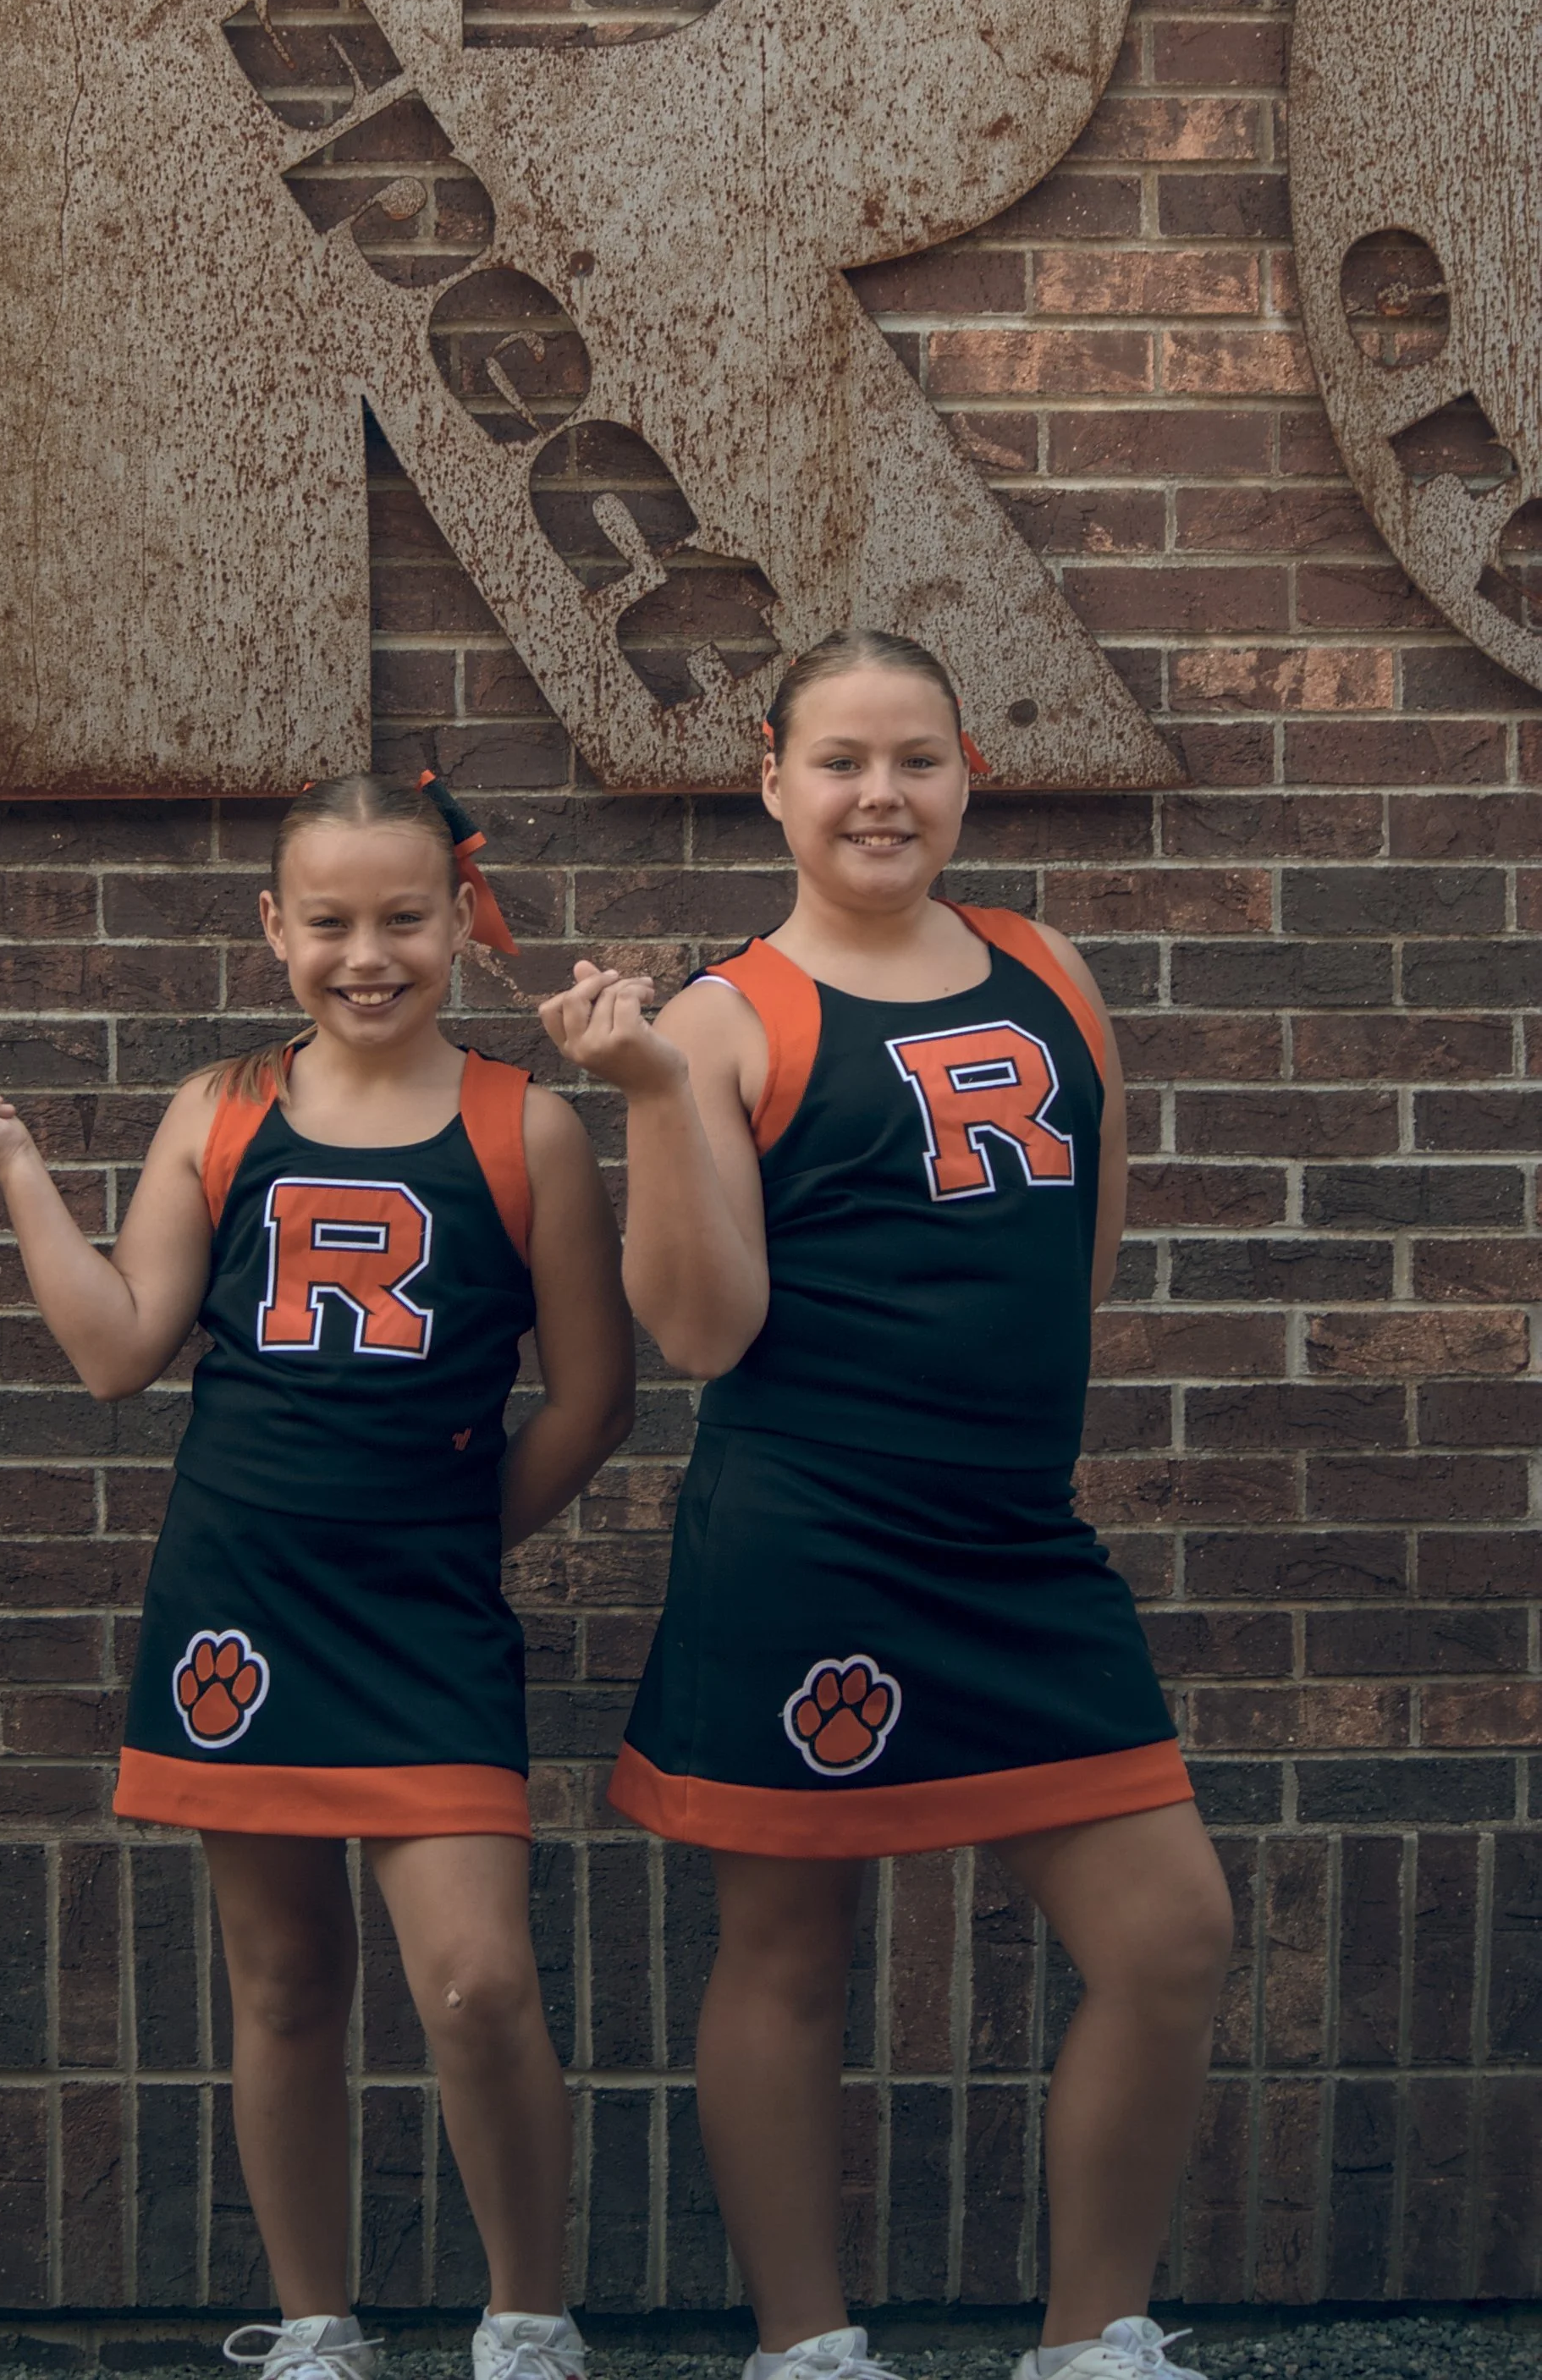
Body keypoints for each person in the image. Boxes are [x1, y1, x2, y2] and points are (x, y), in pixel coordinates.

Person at [541, 631, 1232, 2380]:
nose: (877, 793)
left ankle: (1092, 2340)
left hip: (1010, 1541)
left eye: (913, 758)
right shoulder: (717, 1017)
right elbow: (702, 1333)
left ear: (963, 774)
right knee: (785, 1944)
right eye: (839, 760)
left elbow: (1079, 1264)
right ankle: (806, 2346)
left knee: (1168, 1937)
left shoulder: (1046, 969)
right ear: (772, 777)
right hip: (809, 1542)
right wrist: (645, 1104)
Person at [0, 775, 635, 2380]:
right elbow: (117, 1351)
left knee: (474, 1980)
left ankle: (528, 2319)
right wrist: (19, 1168)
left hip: (423, 1621)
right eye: (328, 922)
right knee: (287, 1975)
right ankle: (318, 2325)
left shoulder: (526, 1125)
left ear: (460, 921)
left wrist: (446, 1540)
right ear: (275, 929)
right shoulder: (221, 1105)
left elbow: (595, 1400)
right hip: (235, 1606)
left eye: (402, 918)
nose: (366, 954)